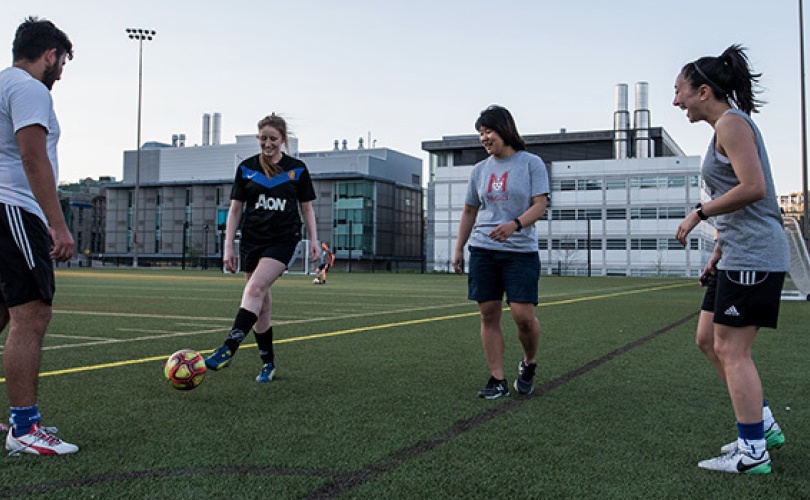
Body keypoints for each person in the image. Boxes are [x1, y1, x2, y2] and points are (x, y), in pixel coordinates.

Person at [674, 45, 790, 475]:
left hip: (756, 253)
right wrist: (719, 249)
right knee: (708, 339)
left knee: (732, 349)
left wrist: (700, 213)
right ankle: (764, 425)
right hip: (737, 252)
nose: (676, 100)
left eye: (679, 90)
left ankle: (752, 451)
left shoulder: (732, 123)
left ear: (703, 91)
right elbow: (742, 200)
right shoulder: (723, 127)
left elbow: (754, 188)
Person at [0, 17, 78, 455]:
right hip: (13, 207)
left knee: (3, 314)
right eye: (62, 61)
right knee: (33, 315)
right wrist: (57, 222)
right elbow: (33, 157)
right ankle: (25, 429)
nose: (62, 72)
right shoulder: (29, 88)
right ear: (49, 54)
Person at [205, 114, 319, 382]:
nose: (268, 144)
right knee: (261, 305)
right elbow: (235, 210)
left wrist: (314, 240)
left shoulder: (297, 169)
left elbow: (307, 209)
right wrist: (228, 247)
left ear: (282, 140)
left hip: (283, 239)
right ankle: (268, 363)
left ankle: (228, 347)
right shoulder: (246, 168)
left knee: (254, 288)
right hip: (251, 241)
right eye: (263, 139)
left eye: (273, 139)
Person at [452, 105, 549, 399]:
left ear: (504, 130)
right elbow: (470, 210)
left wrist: (515, 225)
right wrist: (459, 248)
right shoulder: (479, 171)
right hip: (483, 249)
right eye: (480, 133)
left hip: (520, 251)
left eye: (488, 131)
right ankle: (497, 380)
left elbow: (540, 205)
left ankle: (529, 363)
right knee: (488, 314)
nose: (484, 138)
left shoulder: (531, 163)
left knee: (523, 316)